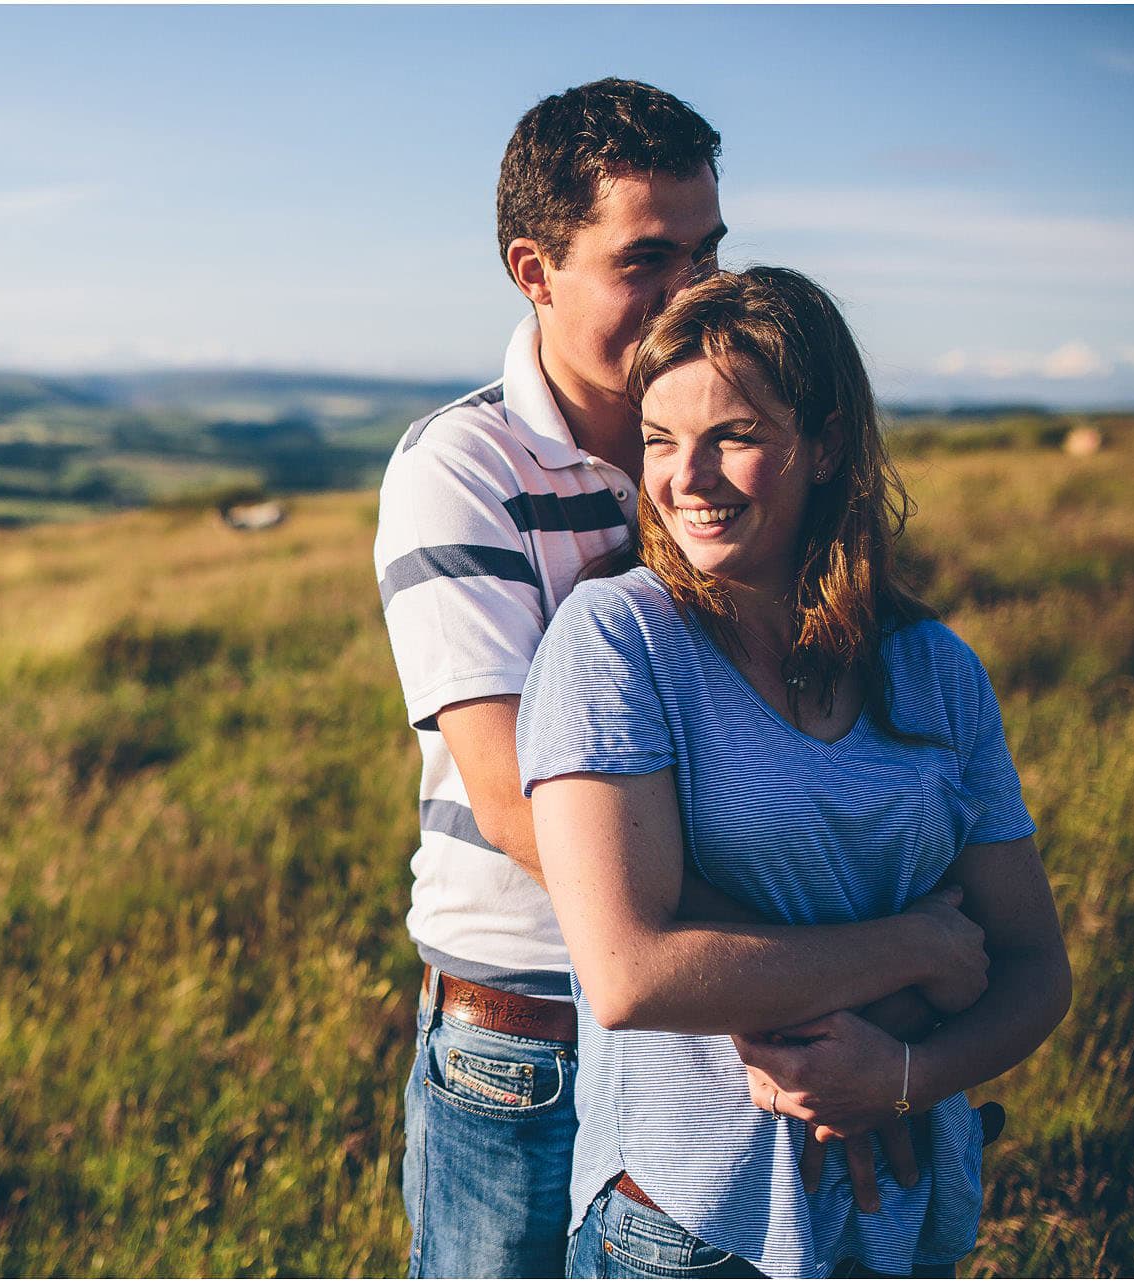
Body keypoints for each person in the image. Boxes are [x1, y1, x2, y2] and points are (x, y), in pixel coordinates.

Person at [372, 79, 955, 1277]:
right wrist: (858, 965)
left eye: (709, 251)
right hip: (531, 1024)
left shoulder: (714, 450)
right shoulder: (462, 469)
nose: (692, 291)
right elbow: (511, 802)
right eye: (647, 259)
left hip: (714, 1023)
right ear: (535, 271)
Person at [516, 267, 1073, 1278]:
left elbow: (1036, 968)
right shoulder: (619, 640)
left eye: (732, 435)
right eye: (659, 441)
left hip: (902, 1228)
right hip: (689, 1228)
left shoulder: (933, 667)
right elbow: (629, 972)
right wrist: (915, 945)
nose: (687, 477)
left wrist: (902, 1075)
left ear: (822, 446)